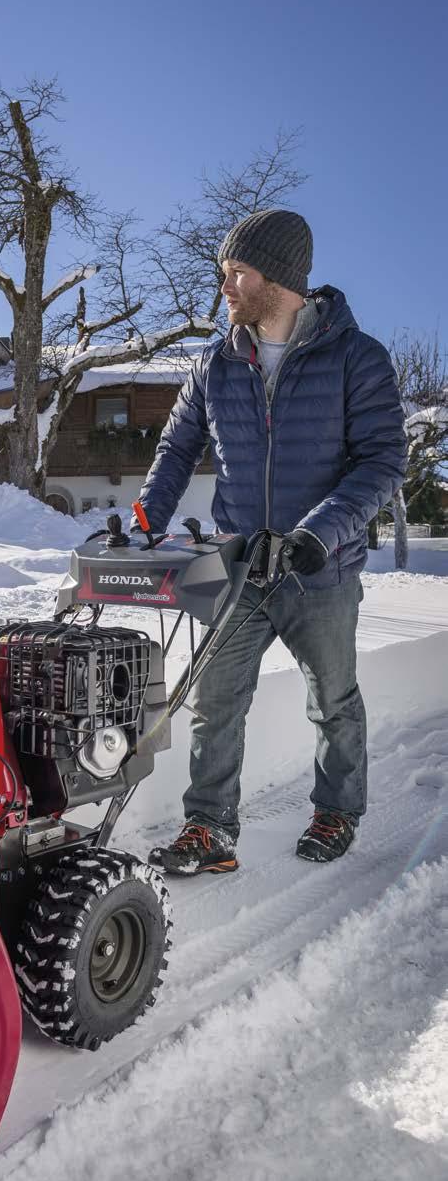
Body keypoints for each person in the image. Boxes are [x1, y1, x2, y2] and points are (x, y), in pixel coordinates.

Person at [140, 209, 406, 875]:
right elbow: (178, 446)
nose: (225, 286)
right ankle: (208, 827)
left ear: (279, 278)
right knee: (213, 698)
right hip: (237, 561)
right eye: (224, 273)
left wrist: (318, 533)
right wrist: (148, 515)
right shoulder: (217, 362)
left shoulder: (356, 357)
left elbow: (381, 461)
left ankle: (337, 810)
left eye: (237, 272)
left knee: (333, 698)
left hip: (321, 568)